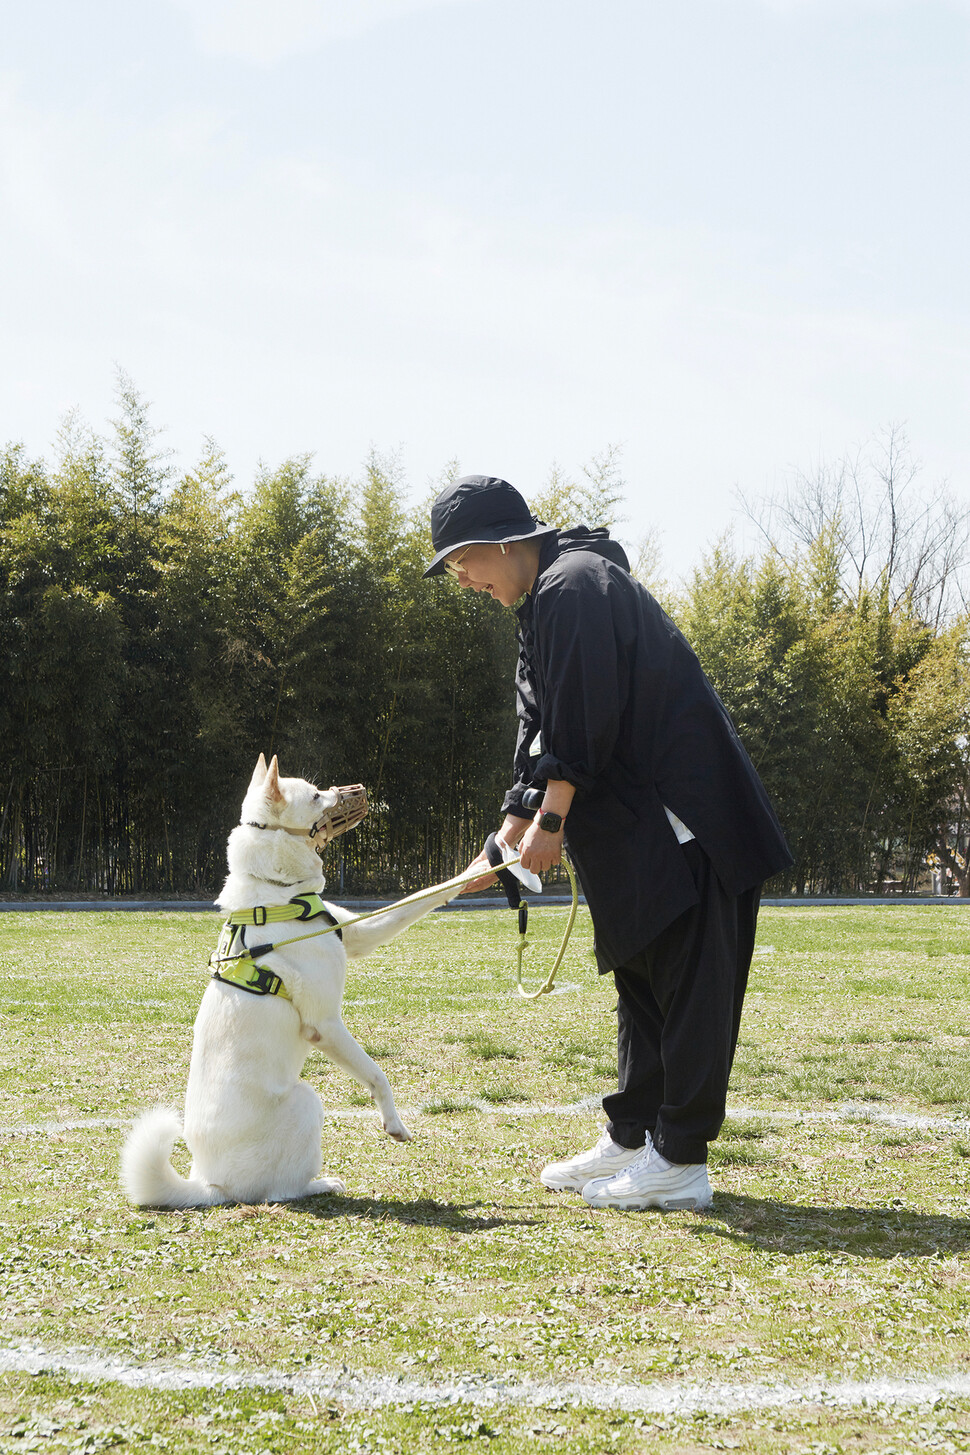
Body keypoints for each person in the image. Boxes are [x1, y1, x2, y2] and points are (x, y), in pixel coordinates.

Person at [423, 474, 793, 1212]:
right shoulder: (544, 604)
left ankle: (681, 1157)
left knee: (688, 987)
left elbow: (585, 718)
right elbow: (540, 734)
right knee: (641, 981)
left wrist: (551, 822)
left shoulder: (575, 585)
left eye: (463, 558)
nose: (461, 577)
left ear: (503, 539)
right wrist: (501, 839)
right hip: (636, 834)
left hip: (686, 821)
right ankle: (634, 1137)